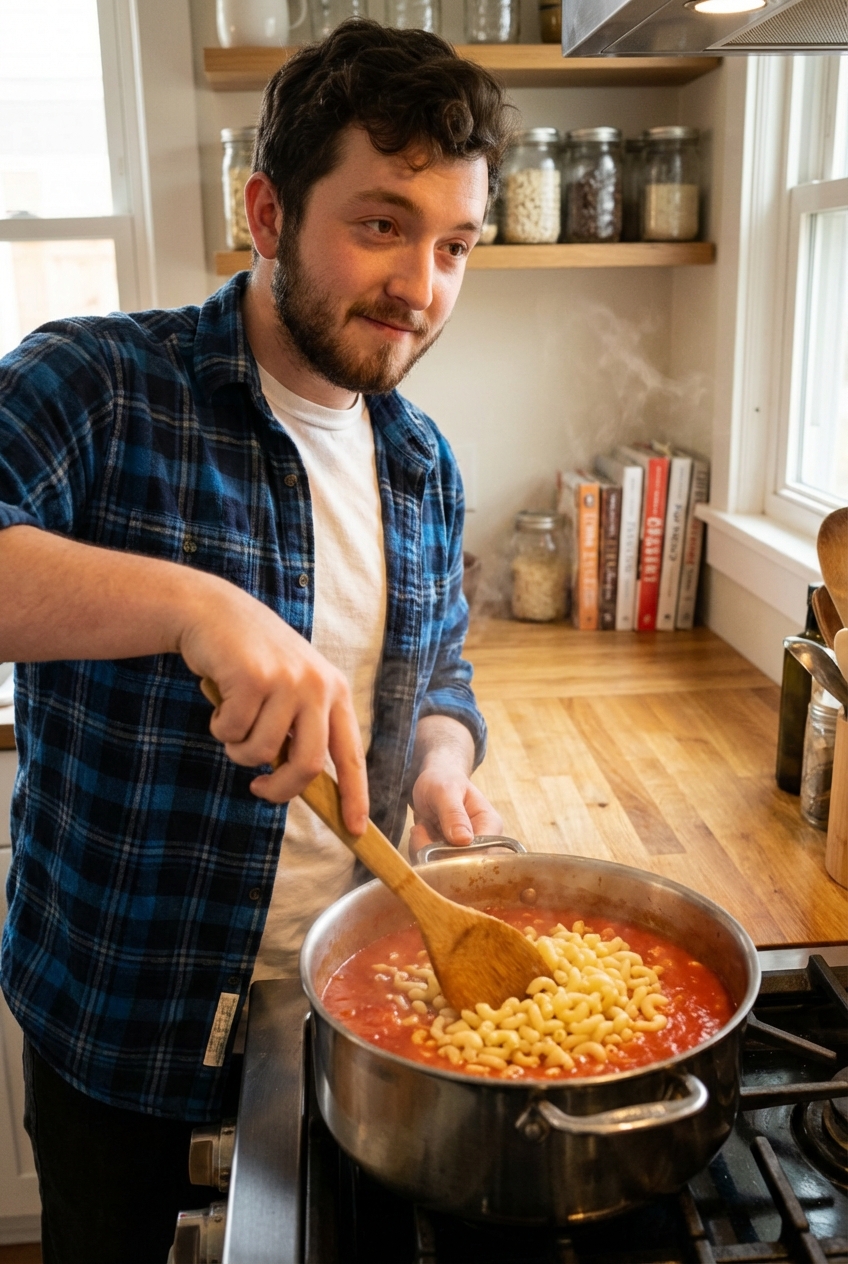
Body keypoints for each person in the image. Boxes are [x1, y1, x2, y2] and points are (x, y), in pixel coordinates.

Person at [0, 19, 514, 1264]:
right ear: (268, 212)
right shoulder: (100, 383)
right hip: (125, 1021)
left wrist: (440, 761)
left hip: (348, 1012)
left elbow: (433, 668)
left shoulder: (419, 461)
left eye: (453, 245)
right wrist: (198, 605)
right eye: (382, 225)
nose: (421, 288)